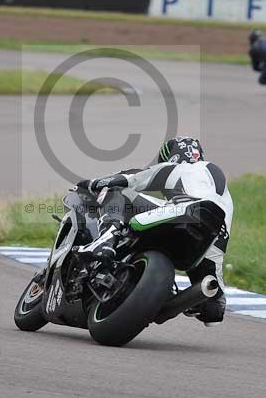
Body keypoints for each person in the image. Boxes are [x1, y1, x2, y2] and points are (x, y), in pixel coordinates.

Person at [75, 136, 233, 326]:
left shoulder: (179, 167)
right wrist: (208, 305)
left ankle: (105, 242)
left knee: (116, 192)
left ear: (170, 157)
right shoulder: (224, 197)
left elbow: (128, 179)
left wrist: (88, 184)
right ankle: (164, 301)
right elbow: (216, 313)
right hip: (208, 239)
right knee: (214, 304)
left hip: (183, 211)